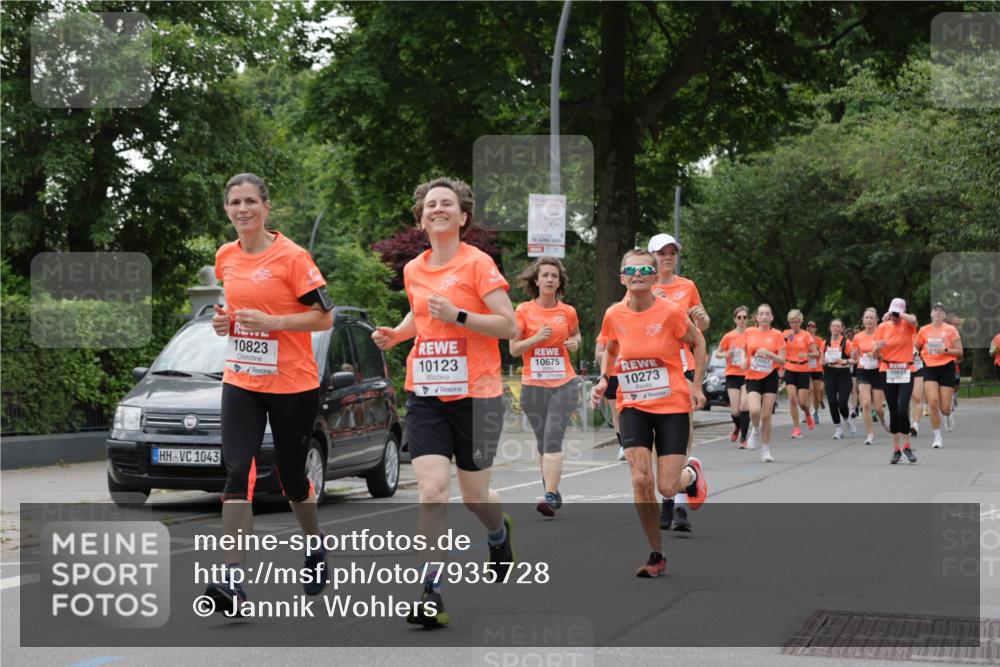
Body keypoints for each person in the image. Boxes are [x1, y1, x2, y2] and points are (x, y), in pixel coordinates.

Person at [371, 177, 517, 627]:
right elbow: (421, 314)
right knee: (433, 490)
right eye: (430, 204)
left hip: (477, 395)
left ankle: (498, 532)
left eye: (446, 204)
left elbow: (509, 325)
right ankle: (431, 591)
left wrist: (459, 315)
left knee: (475, 498)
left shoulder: (478, 265)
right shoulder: (414, 269)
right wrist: (398, 334)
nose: (437, 209)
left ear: (462, 216)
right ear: (421, 218)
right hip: (427, 393)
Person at [204, 173, 335, 615]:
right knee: (236, 470)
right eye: (234, 202)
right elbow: (233, 310)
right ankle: (232, 580)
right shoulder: (225, 256)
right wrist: (224, 322)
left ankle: (314, 545)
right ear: (227, 209)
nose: (242, 209)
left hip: (292, 384)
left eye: (250, 202)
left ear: (266, 207)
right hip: (242, 379)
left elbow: (324, 318)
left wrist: (276, 322)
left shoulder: (293, 257)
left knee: (291, 477)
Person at [589, 249, 708, 577]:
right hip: (633, 405)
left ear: (655, 278)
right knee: (641, 479)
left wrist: (697, 386)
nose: (638, 274)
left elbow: (698, 343)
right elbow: (611, 347)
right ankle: (657, 553)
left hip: (671, 404)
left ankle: (691, 474)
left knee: (667, 488)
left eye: (645, 270)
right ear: (622, 278)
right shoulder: (614, 314)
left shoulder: (671, 312)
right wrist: (603, 379)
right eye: (631, 270)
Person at [646, 234, 710, 532]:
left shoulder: (687, 287)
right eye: (662, 253)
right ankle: (678, 485)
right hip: (652, 369)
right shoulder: (642, 287)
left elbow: (702, 328)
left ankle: (678, 503)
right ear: (651, 257)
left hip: (682, 366)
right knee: (656, 438)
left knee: (681, 432)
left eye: (672, 253)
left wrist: (702, 317)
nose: (668, 257)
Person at [510, 256, 582, 516]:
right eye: (545, 275)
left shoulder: (568, 311)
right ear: (537, 281)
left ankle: (549, 496)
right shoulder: (523, 311)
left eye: (554, 276)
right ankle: (550, 484)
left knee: (552, 438)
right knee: (542, 440)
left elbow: (576, 334)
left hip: (564, 383)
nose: (550, 279)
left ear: (559, 282)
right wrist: (537, 338)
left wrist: (576, 342)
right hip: (533, 386)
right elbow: (514, 348)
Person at [873, 298, 918, 464]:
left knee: (902, 409)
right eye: (893, 312)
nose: (894, 316)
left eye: (897, 313)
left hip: (906, 370)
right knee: (893, 410)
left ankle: (907, 446)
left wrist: (899, 314)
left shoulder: (907, 324)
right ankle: (897, 449)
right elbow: (874, 354)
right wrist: (878, 348)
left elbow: (913, 319)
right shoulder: (882, 327)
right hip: (888, 369)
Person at [915, 303, 963, 449]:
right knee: (932, 401)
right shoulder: (924, 330)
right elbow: (915, 347)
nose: (938, 313)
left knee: (944, 408)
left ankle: (948, 413)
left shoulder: (951, 330)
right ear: (931, 314)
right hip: (929, 368)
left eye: (941, 311)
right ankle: (937, 437)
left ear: (944, 315)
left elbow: (960, 352)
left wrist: (945, 350)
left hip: (947, 367)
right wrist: (914, 354)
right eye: (935, 311)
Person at [744, 304, 787, 462]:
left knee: (767, 415)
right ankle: (755, 430)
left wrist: (769, 353)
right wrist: (743, 360)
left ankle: (766, 449)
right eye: (761, 314)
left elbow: (782, 360)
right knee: (755, 411)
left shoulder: (777, 335)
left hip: (770, 375)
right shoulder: (749, 332)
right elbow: (744, 350)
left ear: (771, 317)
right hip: (752, 375)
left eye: (767, 314)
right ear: (757, 317)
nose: (764, 317)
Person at [716, 306, 751, 448]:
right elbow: (717, 353)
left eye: (744, 317)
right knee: (735, 411)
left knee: (744, 406)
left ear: (748, 319)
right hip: (732, 374)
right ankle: (737, 426)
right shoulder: (729, 336)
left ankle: (743, 439)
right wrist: (726, 354)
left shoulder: (752, 334)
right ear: (735, 319)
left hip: (747, 374)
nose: (742, 320)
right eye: (739, 317)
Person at [851, 308, 887, 445]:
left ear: (876, 320)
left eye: (872, 318)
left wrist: (877, 355)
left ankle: (883, 420)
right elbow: (855, 355)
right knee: (865, 403)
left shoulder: (881, 335)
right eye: (867, 317)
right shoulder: (858, 337)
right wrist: (855, 355)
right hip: (863, 371)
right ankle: (870, 434)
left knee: (878, 407)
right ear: (863, 320)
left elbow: (887, 355)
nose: (869, 320)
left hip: (878, 371)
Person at [782, 310, 818, 439]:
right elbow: (779, 348)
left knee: (802, 402)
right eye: (791, 322)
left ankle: (808, 414)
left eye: (796, 322)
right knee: (792, 399)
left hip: (803, 369)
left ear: (800, 322)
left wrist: (807, 354)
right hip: (790, 368)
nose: (794, 325)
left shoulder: (806, 335)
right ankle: (796, 428)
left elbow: (816, 353)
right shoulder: (785, 334)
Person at [822, 319, 855, 439]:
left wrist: (844, 361)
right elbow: (821, 360)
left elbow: (855, 360)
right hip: (829, 375)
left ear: (842, 329)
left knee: (842, 403)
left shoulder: (846, 343)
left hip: (843, 375)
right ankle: (838, 429)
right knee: (832, 402)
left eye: (838, 326)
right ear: (830, 328)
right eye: (833, 326)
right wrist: (823, 362)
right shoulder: (825, 342)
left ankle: (847, 420)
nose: (835, 328)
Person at [806, 320, 826, 424]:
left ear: (815, 329)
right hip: (806, 368)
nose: (811, 328)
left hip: (817, 368)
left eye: (813, 326)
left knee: (817, 393)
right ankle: (808, 414)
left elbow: (822, 354)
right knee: (810, 390)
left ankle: (816, 413)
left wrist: (816, 355)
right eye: (809, 326)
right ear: (806, 328)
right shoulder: (803, 338)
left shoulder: (819, 340)